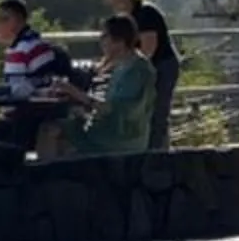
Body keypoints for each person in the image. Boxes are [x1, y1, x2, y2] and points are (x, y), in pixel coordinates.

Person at [40, 14, 156, 157]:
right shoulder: (124, 65)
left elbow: (111, 108)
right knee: (57, 128)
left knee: (50, 131)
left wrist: (75, 92)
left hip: (116, 138)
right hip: (111, 130)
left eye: (104, 37)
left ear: (119, 41)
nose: (101, 42)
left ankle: (45, 176)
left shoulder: (136, 71)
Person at [0, 0, 74, 146]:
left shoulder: (20, 50)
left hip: (26, 122)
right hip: (47, 115)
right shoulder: (39, 44)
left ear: (13, 21)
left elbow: (18, 91)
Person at [105, 0, 181, 152]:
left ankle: (157, 153)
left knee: (157, 111)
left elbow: (148, 48)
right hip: (145, 68)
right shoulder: (127, 20)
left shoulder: (146, 13)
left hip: (162, 66)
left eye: (116, 1)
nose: (115, 7)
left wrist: (129, 70)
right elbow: (119, 48)